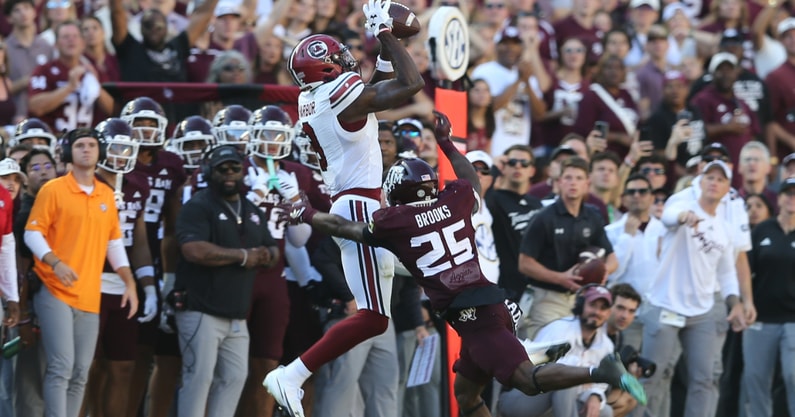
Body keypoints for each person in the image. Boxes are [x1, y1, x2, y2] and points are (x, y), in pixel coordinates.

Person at [281, 111, 646, 417]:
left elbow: (345, 227)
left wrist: (306, 212)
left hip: (476, 317)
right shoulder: (455, 200)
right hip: (486, 305)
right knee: (468, 399)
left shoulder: (397, 223)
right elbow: (471, 179)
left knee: (526, 380)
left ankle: (601, 370)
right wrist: (445, 143)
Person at [263, 1, 425, 415]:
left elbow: (386, 85)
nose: (347, 59)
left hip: (362, 202)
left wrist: (385, 36)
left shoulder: (319, 96)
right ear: (326, 70)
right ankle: (292, 375)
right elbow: (410, 85)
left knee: (439, 258)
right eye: (338, 58)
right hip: (359, 208)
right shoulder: (339, 96)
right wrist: (386, 34)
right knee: (373, 318)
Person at [23, 127, 138, 417]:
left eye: (91, 145)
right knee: (61, 367)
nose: (86, 150)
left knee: (80, 372)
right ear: (68, 154)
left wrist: (129, 281)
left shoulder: (106, 194)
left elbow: (114, 242)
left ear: (99, 152)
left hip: (89, 293)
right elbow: (32, 234)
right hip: (54, 289)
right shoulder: (54, 189)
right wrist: (56, 262)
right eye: (79, 146)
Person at [173, 144, 280, 417]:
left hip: (237, 315)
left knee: (234, 378)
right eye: (222, 169)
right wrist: (243, 256)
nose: (230, 174)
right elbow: (193, 250)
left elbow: (273, 249)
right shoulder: (197, 206)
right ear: (210, 172)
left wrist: (266, 255)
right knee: (198, 380)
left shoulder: (252, 208)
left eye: (235, 168)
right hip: (200, 310)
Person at [636, 160, 746, 417]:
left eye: (720, 179)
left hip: (702, 311)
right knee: (651, 375)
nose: (714, 182)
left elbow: (727, 273)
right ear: (700, 181)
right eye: (710, 177)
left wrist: (735, 303)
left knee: (705, 379)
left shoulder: (725, 229)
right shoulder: (681, 203)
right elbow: (668, 218)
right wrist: (685, 217)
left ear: (727, 187)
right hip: (665, 303)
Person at [86, 118, 156, 417]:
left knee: (123, 366)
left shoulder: (138, 184)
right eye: (114, 148)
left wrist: (150, 286)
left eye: (126, 149)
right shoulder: (83, 183)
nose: (119, 155)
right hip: (87, 282)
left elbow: (138, 241)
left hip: (122, 285)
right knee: (86, 368)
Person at [518, 156, 619, 339]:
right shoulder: (544, 217)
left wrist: (601, 272)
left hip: (581, 300)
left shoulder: (593, 215)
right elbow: (524, 263)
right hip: (547, 298)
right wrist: (561, 278)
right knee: (547, 355)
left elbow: (612, 259)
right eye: (568, 178)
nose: (573, 183)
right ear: (559, 182)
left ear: (587, 183)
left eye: (579, 178)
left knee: (572, 357)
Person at [497, 285, 617, 417]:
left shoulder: (607, 345)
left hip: (557, 405)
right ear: (581, 305)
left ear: (608, 313)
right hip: (522, 399)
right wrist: (582, 375)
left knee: (606, 412)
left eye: (603, 308)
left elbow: (598, 385)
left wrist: (594, 395)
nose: (597, 312)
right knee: (567, 379)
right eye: (593, 305)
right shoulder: (558, 329)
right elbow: (537, 371)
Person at [743, 177, 795, 417]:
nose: (791, 197)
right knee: (755, 381)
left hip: (793, 319)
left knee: (793, 376)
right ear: (779, 197)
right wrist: (745, 302)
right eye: (787, 192)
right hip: (760, 317)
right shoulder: (763, 229)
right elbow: (744, 267)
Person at [28, 20, 114, 132]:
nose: (71, 40)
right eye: (65, 37)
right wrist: (70, 87)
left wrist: (96, 86)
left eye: (75, 36)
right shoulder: (44, 70)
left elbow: (112, 110)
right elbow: (36, 107)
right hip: (55, 138)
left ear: (83, 43)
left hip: (86, 140)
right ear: (56, 44)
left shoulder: (93, 70)